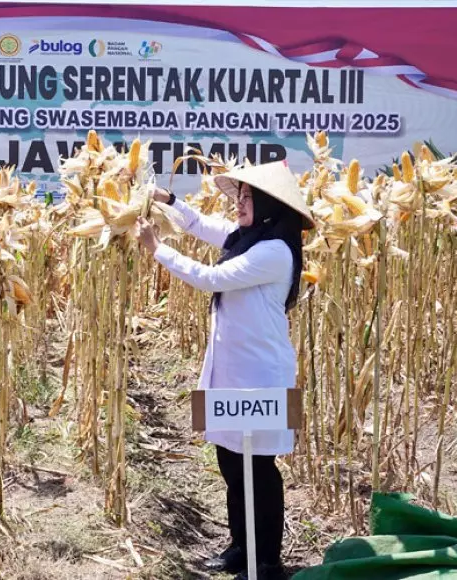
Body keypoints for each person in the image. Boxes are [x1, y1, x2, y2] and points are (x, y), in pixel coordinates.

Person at [135, 161, 315, 580]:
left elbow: (209, 278)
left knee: (259, 470)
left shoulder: (273, 252)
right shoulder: (249, 238)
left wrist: (156, 247)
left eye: (248, 198)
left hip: (261, 377)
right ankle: (240, 547)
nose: (239, 203)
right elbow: (200, 224)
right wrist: (169, 201)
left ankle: (267, 560)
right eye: (240, 196)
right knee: (231, 464)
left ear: (270, 205)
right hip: (231, 371)